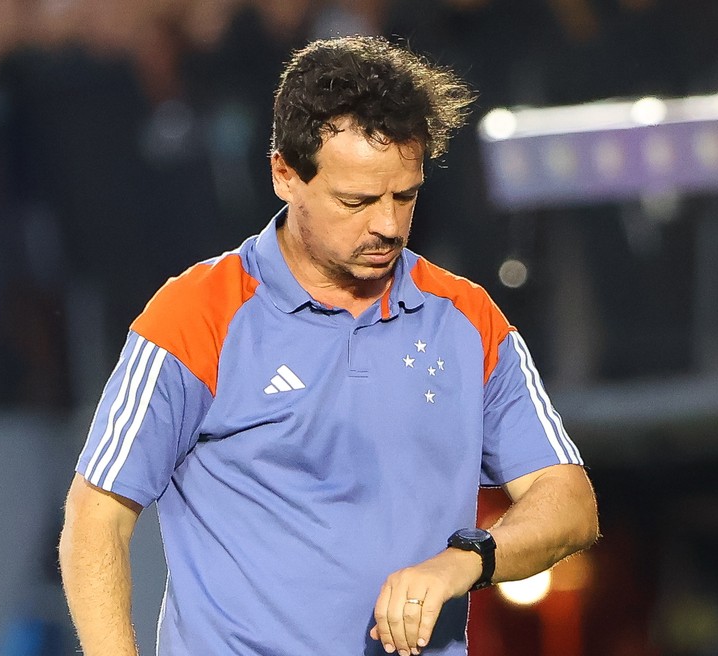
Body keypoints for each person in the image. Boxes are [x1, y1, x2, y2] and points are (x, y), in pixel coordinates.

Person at [59, 35, 598, 656]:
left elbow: (570, 502)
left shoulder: (467, 319)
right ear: (284, 174)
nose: (388, 225)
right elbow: (95, 519)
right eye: (357, 201)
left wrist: (466, 560)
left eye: (406, 195)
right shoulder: (195, 316)